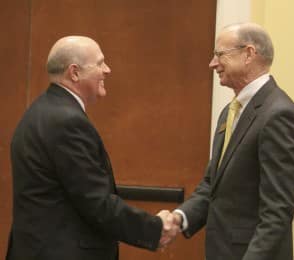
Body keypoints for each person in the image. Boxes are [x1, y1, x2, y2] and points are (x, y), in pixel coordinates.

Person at [6, 36, 178, 260]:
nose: (107, 70)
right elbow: (95, 202)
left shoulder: (43, 110)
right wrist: (154, 228)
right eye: (100, 63)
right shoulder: (66, 121)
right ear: (74, 72)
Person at [169, 22, 294, 260]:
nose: (213, 63)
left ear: (249, 53)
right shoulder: (230, 111)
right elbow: (213, 184)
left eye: (220, 54)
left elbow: (277, 210)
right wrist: (179, 217)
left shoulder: (279, 113)